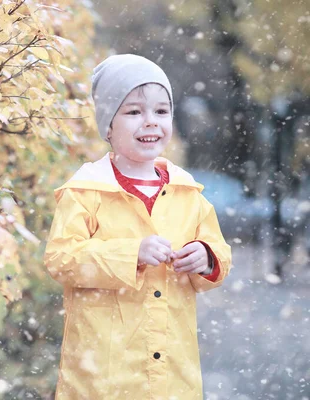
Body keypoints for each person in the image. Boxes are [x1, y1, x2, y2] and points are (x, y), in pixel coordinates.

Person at [43, 54, 232, 400]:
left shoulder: (188, 193)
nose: (150, 122)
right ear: (108, 126)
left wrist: (206, 259)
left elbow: (219, 254)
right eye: (133, 112)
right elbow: (61, 258)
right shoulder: (86, 191)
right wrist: (131, 254)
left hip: (172, 372)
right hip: (102, 371)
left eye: (161, 111)